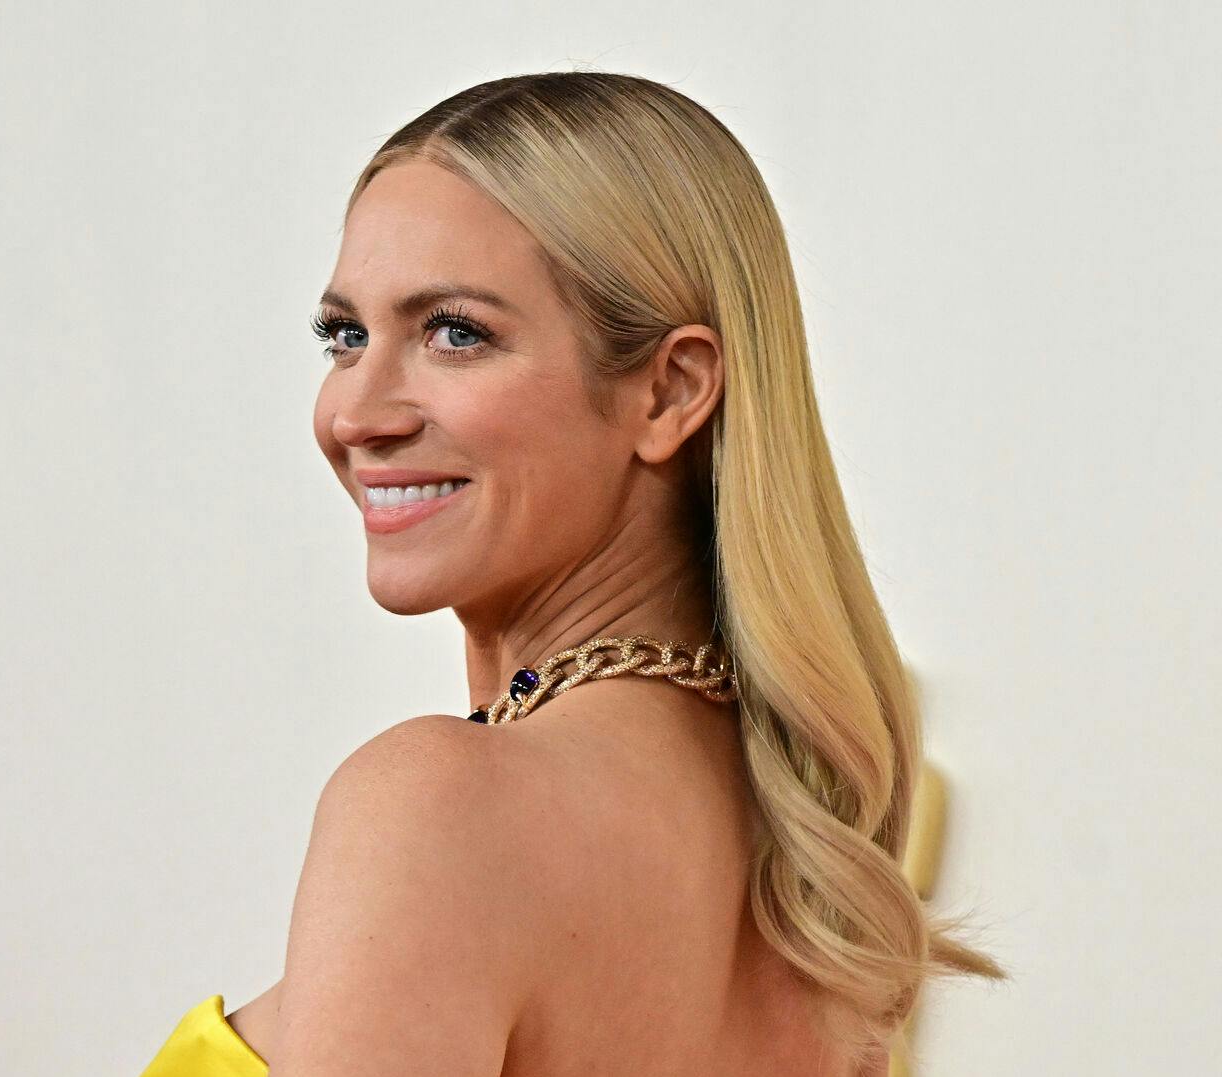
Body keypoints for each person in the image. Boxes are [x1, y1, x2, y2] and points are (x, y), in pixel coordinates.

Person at [140, 70, 1005, 1077]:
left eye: (455, 333)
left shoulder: (440, 809)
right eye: (347, 337)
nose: (357, 414)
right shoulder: (809, 887)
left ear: (669, 390)